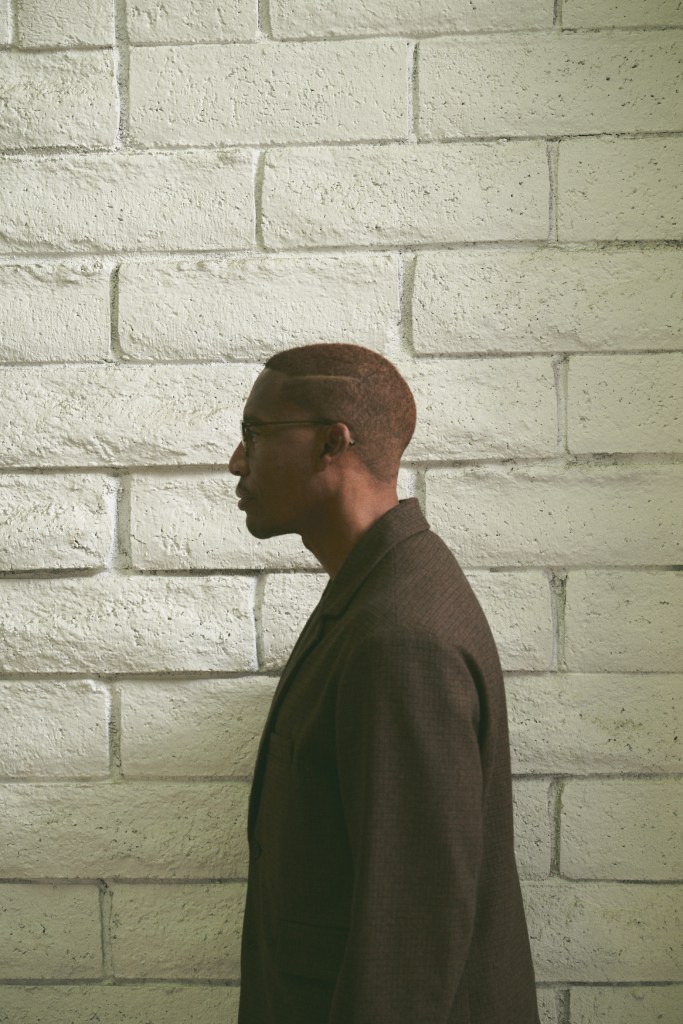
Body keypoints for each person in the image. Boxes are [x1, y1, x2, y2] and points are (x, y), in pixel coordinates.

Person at [229, 343, 539, 1024]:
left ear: (329, 445)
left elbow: (413, 932)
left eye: (254, 433)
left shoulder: (399, 636)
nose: (236, 461)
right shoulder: (378, 591)